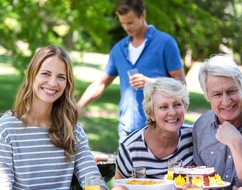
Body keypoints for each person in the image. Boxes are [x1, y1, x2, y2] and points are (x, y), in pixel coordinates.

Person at [0, 45, 107, 190]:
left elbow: (91, 177)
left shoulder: (71, 129)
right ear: (32, 75)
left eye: (61, 77)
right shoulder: (6, 129)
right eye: (46, 74)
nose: (52, 83)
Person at [77, 0, 185, 143]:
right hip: (126, 128)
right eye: (123, 23)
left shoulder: (165, 43)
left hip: (159, 127)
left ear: (143, 15)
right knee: (126, 166)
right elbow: (101, 83)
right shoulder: (119, 49)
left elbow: (181, 83)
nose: (126, 27)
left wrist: (150, 82)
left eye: (130, 22)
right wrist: (78, 107)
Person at [193, 54, 242, 190]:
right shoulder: (201, 127)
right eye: (217, 94)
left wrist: (236, 142)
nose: (226, 101)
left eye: (232, 91)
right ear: (207, 96)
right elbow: (199, 182)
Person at [115, 77, 193, 179]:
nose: (172, 112)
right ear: (151, 113)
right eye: (163, 107)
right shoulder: (130, 148)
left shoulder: (195, 136)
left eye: (177, 105)